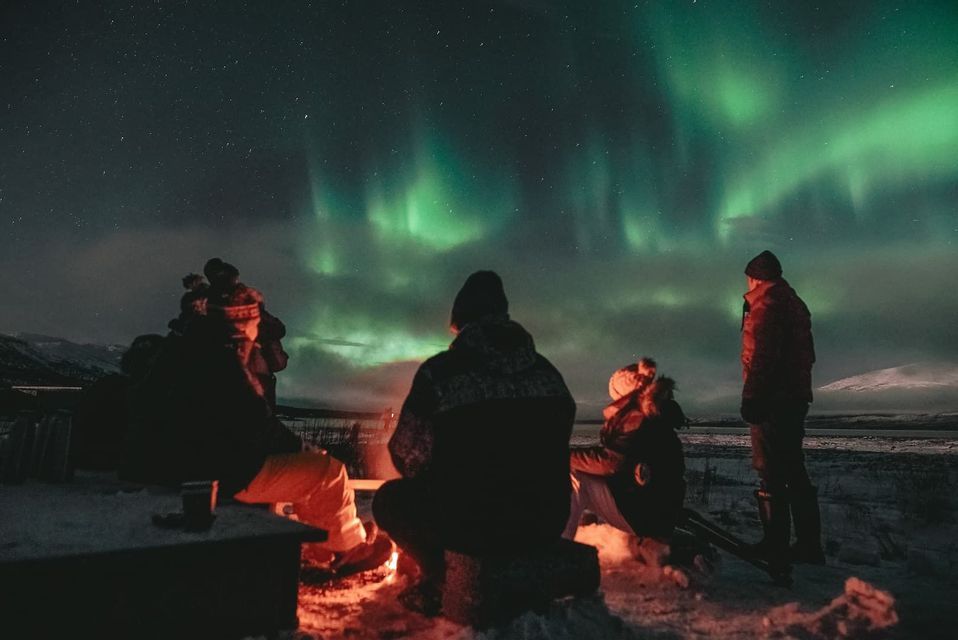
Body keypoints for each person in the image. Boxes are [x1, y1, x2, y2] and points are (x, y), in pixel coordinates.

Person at [121, 293, 390, 576]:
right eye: (254, 323)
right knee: (329, 472)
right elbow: (256, 423)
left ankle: (322, 545)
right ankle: (347, 549)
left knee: (300, 471)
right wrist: (301, 448)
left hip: (182, 465)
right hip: (214, 472)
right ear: (242, 323)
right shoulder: (221, 359)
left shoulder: (187, 351)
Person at [372, 270, 575, 615]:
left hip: (471, 525)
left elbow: (405, 453)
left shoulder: (440, 373)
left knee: (390, 500)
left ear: (460, 323)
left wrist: (438, 473)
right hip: (544, 520)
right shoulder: (549, 374)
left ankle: (442, 579)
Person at [740, 250, 823, 566]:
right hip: (793, 396)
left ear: (755, 277)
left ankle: (775, 544)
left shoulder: (768, 305)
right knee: (792, 467)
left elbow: (763, 355)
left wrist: (753, 396)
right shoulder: (792, 302)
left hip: (774, 399)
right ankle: (808, 545)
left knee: (770, 469)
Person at [563, 365, 686, 548]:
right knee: (588, 474)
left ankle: (560, 543)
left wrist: (562, 455)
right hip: (656, 512)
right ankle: (588, 530)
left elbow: (610, 462)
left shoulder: (637, 416)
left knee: (576, 476)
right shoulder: (653, 416)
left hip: (643, 515)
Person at [203, 258, 288, 408]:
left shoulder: (210, 302)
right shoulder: (243, 301)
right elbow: (278, 329)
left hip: (241, 371)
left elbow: (277, 329)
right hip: (253, 372)